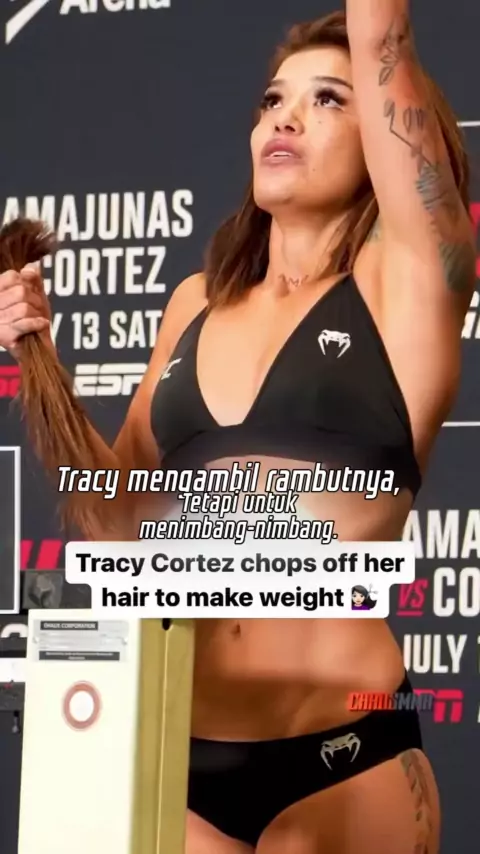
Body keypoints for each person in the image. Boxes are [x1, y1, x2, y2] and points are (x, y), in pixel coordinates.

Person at [0, 3, 476, 853]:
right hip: (179, 759)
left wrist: (377, 47)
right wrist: (39, 361)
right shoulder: (194, 305)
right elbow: (121, 523)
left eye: (328, 99)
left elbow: (383, 40)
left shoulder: (405, 283)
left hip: (342, 758)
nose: (285, 118)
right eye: (272, 100)